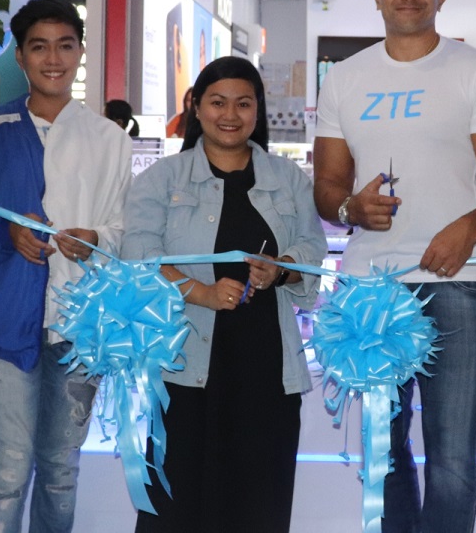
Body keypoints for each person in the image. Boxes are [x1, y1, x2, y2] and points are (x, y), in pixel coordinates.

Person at [313, 0, 476, 533]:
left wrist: (472, 225)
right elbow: (327, 188)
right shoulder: (346, 78)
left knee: (454, 456)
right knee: (382, 450)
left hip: (453, 280)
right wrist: (352, 209)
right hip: (368, 287)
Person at [0, 0, 133, 533]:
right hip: (3, 322)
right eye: (39, 46)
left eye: (65, 45)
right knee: (7, 471)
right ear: (19, 57)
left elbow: (127, 232)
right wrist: (4, 234)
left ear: (80, 53)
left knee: (62, 471)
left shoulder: (109, 140)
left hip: (80, 326)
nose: (53, 58)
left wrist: (96, 240)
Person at [125, 57, 326, 533]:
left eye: (243, 102)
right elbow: (138, 257)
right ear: (196, 106)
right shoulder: (163, 179)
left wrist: (281, 271)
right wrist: (202, 293)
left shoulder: (288, 179)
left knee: (260, 505)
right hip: (183, 370)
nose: (230, 114)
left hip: (266, 371)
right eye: (217, 102)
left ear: (258, 110)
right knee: (175, 509)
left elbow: (313, 252)